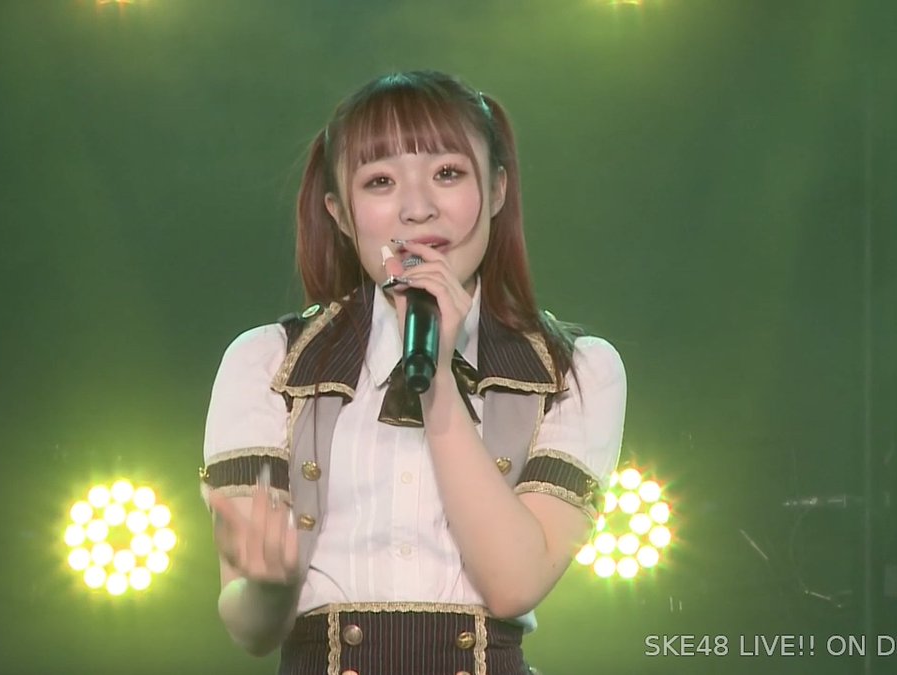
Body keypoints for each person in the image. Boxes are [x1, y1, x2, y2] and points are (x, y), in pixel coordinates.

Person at [200, 70, 626, 674]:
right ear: (340, 214)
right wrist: (271, 586)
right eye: (380, 181)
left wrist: (439, 381)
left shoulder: (576, 371)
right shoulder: (268, 362)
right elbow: (250, 629)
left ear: (497, 189)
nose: (418, 208)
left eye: (448, 173)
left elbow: (514, 584)